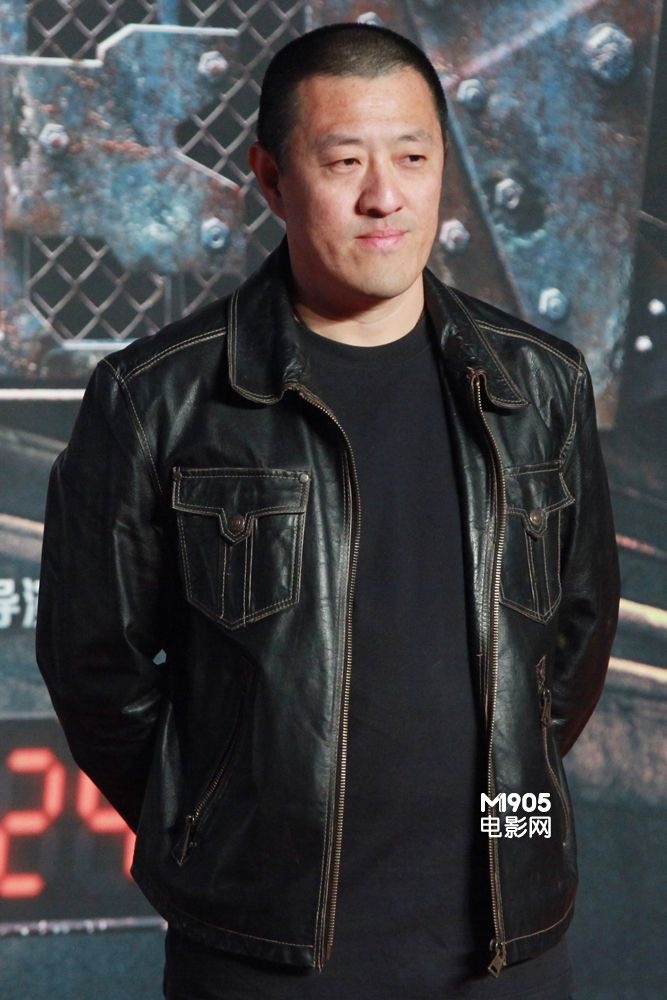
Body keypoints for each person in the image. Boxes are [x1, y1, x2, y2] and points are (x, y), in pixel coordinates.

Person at [36, 22, 619, 1000]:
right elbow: (96, 669)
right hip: (260, 957)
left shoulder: (542, 387)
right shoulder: (158, 400)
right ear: (270, 179)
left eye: (413, 158)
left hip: (503, 949)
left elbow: (572, 637)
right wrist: (218, 821)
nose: (384, 195)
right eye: (344, 160)